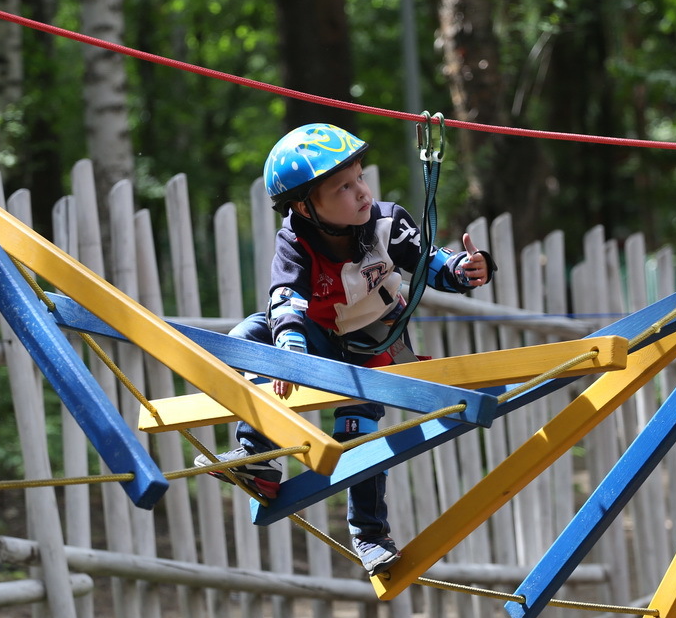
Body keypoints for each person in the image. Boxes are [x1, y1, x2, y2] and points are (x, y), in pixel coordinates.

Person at [195, 122, 495, 575]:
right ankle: (258, 457)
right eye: (343, 187)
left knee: (359, 437)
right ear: (304, 206)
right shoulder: (293, 241)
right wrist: (289, 348)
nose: (361, 192)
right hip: (312, 337)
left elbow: (431, 263)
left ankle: (371, 537)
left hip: (375, 342)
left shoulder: (388, 224)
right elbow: (285, 300)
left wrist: (465, 269)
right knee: (243, 339)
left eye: (359, 178)